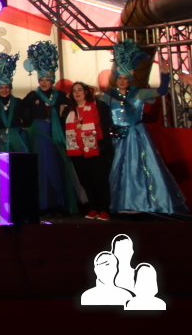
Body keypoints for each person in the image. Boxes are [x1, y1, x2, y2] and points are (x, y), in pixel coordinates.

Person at [100, 40, 187, 214]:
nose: (122, 81)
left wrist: (164, 75)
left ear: (130, 79)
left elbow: (161, 91)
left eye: (125, 78)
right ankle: (125, 204)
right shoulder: (107, 96)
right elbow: (101, 116)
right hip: (118, 137)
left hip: (136, 136)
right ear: (116, 78)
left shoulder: (139, 93)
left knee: (141, 168)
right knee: (121, 171)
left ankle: (146, 204)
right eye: (120, 78)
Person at [21, 41, 77, 214]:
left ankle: (58, 202)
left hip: (56, 134)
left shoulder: (59, 95)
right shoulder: (32, 96)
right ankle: (42, 203)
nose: (44, 83)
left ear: (52, 80)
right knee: (42, 167)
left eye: (47, 79)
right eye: (41, 80)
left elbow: (74, 106)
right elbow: (19, 110)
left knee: (58, 166)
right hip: (39, 135)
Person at [65, 82, 113, 221]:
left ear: (86, 92)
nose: (77, 93)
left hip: (96, 149)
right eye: (74, 91)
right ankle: (93, 208)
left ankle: (104, 209)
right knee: (85, 181)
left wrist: (103, 144)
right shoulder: (69, 110)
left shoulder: (97, 106)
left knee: (99, 180)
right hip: (77, 151)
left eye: (80, 90)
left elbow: (106, 125)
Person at [0, 52, 28, 155]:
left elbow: (27, 119)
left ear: (10, 88)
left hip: (18, 139)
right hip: (0, 140)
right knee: (4, 164)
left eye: (7, 87)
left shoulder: (18, 102)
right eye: (1, 88)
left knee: (19, 162)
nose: (4, 90)